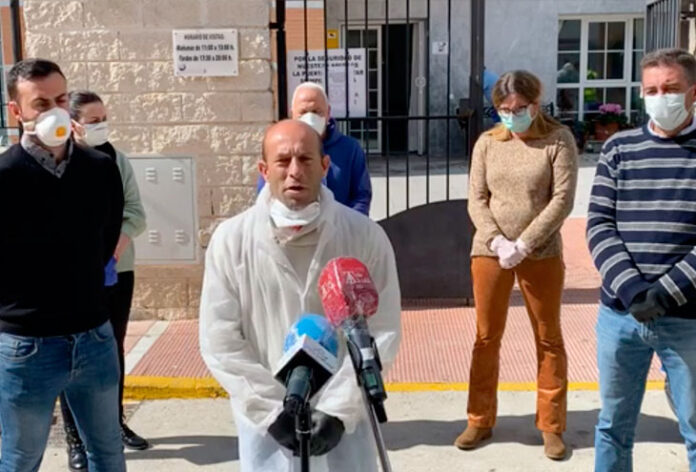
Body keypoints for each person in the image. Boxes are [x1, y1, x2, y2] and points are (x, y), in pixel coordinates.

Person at [200, 119, 401, 472]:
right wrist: (272, 413)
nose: (295, 171)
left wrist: (338, 411)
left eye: (306, 159)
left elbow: (382, 331)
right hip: (268, 431)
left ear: (325, 166)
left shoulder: (365, 237)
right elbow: (220, 341)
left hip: (344, 430)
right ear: (264, 170)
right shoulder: (231, 241)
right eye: (283, 160)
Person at [0, 59, 125, 471]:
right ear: (16, 111)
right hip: (26, 347)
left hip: (94, 338)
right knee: (20, 459)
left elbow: (105, 239)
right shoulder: (4, 176)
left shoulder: (100, 169)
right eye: (41, 104)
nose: (54, 111)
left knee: (107, 453)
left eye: (60, 100)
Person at [456, 70, 578, 460]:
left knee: (548, 338)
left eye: (519, 108)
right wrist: (496, 240)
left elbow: (562, 200)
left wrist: (524, 244)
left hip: (540, 252)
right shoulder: (488, 143)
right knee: (486, 337)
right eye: (504, 110)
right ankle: (479, 418)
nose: (512, 116)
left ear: (536, 104)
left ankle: (552, 425)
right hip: (490, 251)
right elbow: (476, 198)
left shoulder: (558, 140)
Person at [587, 48, 696, 472]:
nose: (660, 97)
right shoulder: (619, 148)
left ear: (692, 92)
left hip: (687, 317)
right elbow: (599, 225)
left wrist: (665, 293)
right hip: (620, 315)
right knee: (612, 426)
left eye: (670, 88)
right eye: (651, 90)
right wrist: (633, 290)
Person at [55, 90, 148, 470]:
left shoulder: (116, 159)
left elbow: (136, 213)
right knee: (72, 353)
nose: (101, 126)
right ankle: (75, 438)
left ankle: (114, 423)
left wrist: (112, 252)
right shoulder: (60, 163)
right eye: (93, 121)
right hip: (74, 274)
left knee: (113, 348)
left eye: (104, 119)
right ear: (73, 124)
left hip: (116, 270)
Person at [257, 82, 372, 215]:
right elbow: (266, 195)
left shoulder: (350, 149)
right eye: (303, 112)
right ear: (292, 114)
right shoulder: (278, 147)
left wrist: (348, 224)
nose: (310, 117)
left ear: (328, 113)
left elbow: (361, 196)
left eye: (316, 112)